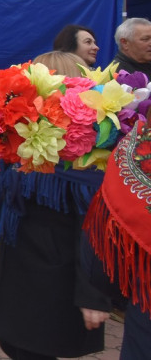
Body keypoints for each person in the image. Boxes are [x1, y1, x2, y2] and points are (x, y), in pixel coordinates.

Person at [0, 52, 112, 359]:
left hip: (58, 274)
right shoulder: (25, 142)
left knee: (37, 348)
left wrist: (93, 294)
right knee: (13, 342)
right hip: (19, 265)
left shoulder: (86, 164)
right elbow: (1, 187)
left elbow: (94, 232)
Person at [82, 118, 151, 359]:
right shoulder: (136, 150)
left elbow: (108, 223)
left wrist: (96, 293)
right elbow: (108, 224)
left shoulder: (135, 150)